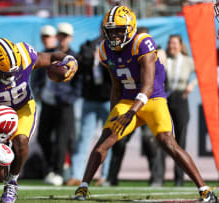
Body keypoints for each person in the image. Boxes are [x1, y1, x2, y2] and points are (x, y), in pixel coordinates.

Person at [73, 6, 217, 202]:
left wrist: (131, 113)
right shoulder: (105, 50)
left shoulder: (142, 43)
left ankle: (205, 190)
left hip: (153, 99)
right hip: (127, 100)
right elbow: (116, 86)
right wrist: (114, 113)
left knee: (167, 142)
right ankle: (82, 188)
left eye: (118, 30)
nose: (114, 36)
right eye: (111, 31)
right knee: (104, 142)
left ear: (131, 28)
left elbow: (148, 87)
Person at [0, 37, 78, 202]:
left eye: (14, 72)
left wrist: (70, 60)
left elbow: (51, 57)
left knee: (21, 142)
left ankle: (12, 184)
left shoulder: (24, 55)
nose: (11, 77)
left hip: (23, 108)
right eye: (6, 73)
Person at [106, 26, 166, 187]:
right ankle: (111, 177)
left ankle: (156, 178)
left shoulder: (151, 53)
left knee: (152, 141)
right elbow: (116, 84)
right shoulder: (122, 52)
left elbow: (155, 82)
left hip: (149, 101)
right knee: (117, 138)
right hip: (129, 101)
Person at [33, 22, 81, 186]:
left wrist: (70, 98)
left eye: (65, 35)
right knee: (42, 137)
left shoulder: (74, 56)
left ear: (70, 37)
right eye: (60, 34)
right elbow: (37, 74)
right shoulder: (49, 54)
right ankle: (52, 168)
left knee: (62, 139)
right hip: (47, 101)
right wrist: (38, 90)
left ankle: (58, 172)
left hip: (64, 104)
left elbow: (79, 82)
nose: (62, 38)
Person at [66, 29, 112, 187]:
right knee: (84, 139)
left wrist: (103, 63)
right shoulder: (89, 45)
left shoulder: (117, 47)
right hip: (90, 99)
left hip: (108, 99)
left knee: (109, 139)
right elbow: (80, 66)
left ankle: (105, 177)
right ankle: (76, 175)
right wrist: (90, 59)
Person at [165, 34, 197, 186]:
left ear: (180, 45)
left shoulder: (187, 61)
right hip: (164, 98)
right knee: (162, 138)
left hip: (181, 98)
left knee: (180, 139)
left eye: (175, 43)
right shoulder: (164, 59)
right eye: (170, 43)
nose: (172, 46)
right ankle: (158, 178)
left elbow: (202, 71)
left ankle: (179, 178)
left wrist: (192, 85)